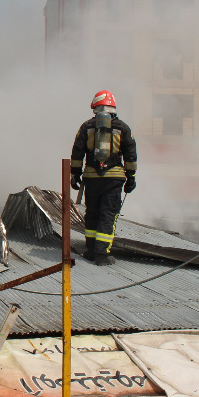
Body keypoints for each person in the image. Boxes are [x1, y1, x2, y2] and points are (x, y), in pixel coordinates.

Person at [70, 89, 137, 265]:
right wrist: (131, 178)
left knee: (92, 212)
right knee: (108, 213)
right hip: (114, 179)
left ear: (95, 108)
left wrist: (75, 175)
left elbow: (77, 152)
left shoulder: (86, 127)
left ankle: (91, 249)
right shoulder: (123, 128)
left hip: (91, 177)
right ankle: (102, 253)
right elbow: (130, 156)